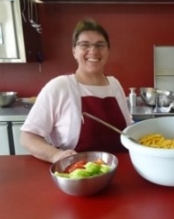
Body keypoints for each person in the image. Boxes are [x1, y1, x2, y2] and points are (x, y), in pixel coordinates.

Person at [20, 18, 133, 163]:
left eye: (100, 45)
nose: (93, 51)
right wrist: (56, 155)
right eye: (84, 45)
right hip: (79, 174)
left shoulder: (114, 84)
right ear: (74, 51)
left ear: (108, 50)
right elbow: (28, 137)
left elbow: (127, 129)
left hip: (123, 169)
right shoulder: (59, 86)